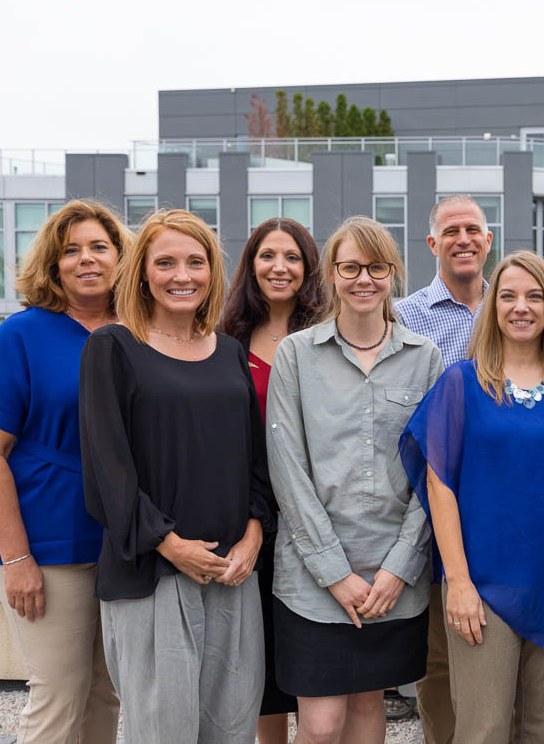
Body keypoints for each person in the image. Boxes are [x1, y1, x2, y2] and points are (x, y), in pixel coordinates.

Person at [400, 251, 544, 743]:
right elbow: (439, 486)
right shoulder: (461, 383)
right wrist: (458, 583)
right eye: (509, 296)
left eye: (535, 296)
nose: (522, 307)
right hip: (483, 587)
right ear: (492, 305)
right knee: (484, 731)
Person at [80, 209, 273, 744]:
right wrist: (169, 544)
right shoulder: (112, 347)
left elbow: (255, 460)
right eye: (165, 263)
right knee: (162, 732)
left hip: (232, 571)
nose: (182, 275)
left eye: (195, 262)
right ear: (142, 273)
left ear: (213, 271)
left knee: (231, 728)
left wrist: (254, 534)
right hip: (153, 573)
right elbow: (106, 468)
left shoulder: (230, 352)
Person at [265, 216, 438, 744]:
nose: (364, 279)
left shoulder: (424, 358)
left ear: (393, 273)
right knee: (319, 727)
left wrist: (400, 567)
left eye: (377, 267)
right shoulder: (296, 355)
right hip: (312, 579)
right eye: (351, 267)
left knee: (368, 708)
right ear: (331, 274)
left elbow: (431, 474)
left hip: (392, 580)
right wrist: (334, 573)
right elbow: (287, 470)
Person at [0, 199, 126, 744]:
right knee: (59, 693)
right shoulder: (21, 335)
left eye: (99, 246)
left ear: (121, 256)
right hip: (47, 544)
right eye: (71, 250)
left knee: (107, 691)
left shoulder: (139, 331)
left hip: (123, 541)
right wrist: (17, 560)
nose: (87, 259)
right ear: (53, 264)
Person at [219, 217, 325, 744]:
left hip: (316, 516)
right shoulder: (225, 341)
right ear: (250, 265)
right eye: (267, 256)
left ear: (308, 268)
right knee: (260, 659)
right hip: (250, 518)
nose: (279, 267)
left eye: (292, 257)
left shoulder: (328, 335)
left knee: (312, 659)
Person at [393, 194, 492, 744]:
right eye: (451, 231)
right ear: (432, 243)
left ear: (488, 240)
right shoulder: (404, 316)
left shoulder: (512, 306)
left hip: (500, 497)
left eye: (472, 229)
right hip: (430, 497)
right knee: (438, 650)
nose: (463, 239)